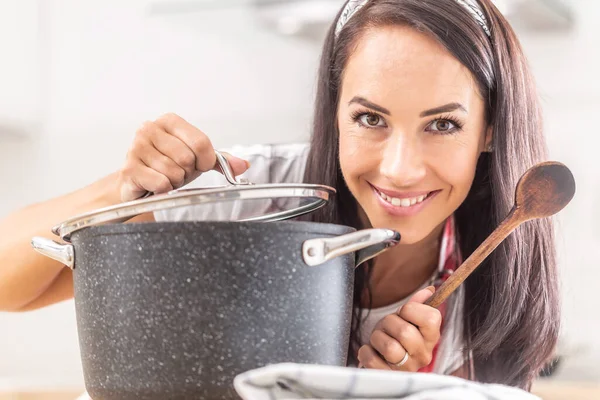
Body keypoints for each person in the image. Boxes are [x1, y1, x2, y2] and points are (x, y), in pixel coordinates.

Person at [0, 0, 558, 391]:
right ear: (334, 113)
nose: (399, 168)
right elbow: (9, 286)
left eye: (442, 125)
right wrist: (124, 190)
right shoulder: (258, 193)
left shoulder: (498, 273)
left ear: (489, 129)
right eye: (370, 118)